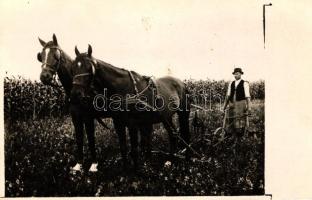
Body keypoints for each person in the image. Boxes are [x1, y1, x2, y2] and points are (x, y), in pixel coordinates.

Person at [223, 67, 251, 137]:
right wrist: (225, 106)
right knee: (231, 118)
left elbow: (247, 97)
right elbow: (228, 96)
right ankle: (231, 133)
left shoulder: (245, 83)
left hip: (241, 103)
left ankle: (240, 134)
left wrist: (249, 107)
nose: (236, 75)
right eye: (235, 74)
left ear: (241, 74)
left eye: (237, 74)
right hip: (232, 103)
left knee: (240, 118)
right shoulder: (231, 83)